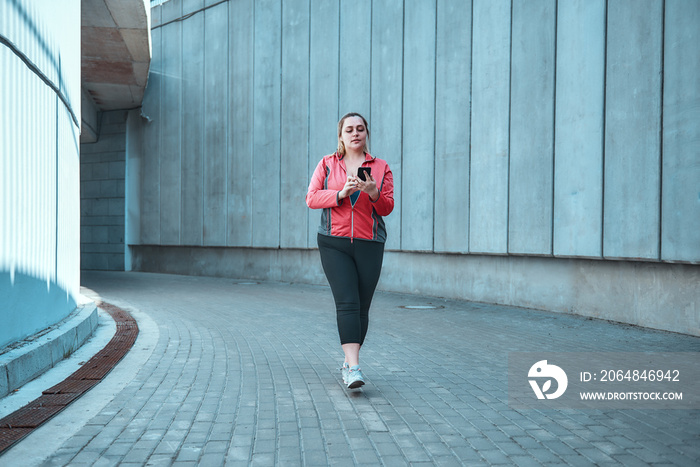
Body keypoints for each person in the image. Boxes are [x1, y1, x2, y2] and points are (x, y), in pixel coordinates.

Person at [306, 112, 394, 389]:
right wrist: (340, 194)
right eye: (349, 130)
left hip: (370, 243)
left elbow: (387, 207)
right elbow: (311, 198)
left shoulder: (380, 167)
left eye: (360, 129)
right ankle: (354, 369)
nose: (355, 133)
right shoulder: (328, 164)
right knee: (347, 302)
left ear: (366, 133)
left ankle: (347, 360)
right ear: (341, 136)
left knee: (362, 308)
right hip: (334, 242)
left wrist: (373, 193)